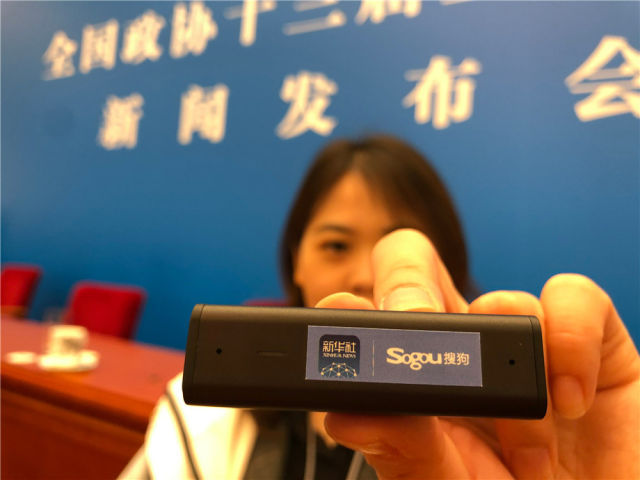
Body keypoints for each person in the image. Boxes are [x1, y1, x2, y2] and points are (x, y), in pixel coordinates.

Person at [120, 135, 640, 479]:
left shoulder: (497, 440)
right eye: (335, 245)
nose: (366, 274)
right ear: (296, 261)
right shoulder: (197, 422)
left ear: (445, 266)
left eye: (393, 242)